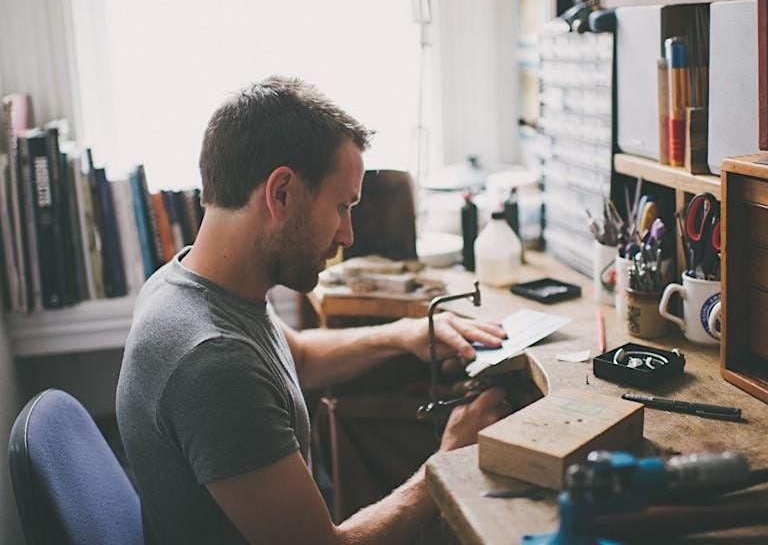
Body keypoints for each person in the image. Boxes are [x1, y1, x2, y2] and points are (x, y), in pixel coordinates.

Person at [116, 76, 512, 544]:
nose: (347, 235)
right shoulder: (211, 361)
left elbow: (298, 356)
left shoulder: (189, 283)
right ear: (281, 193)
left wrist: (403, 335)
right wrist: (448, 464)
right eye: (341, 206)